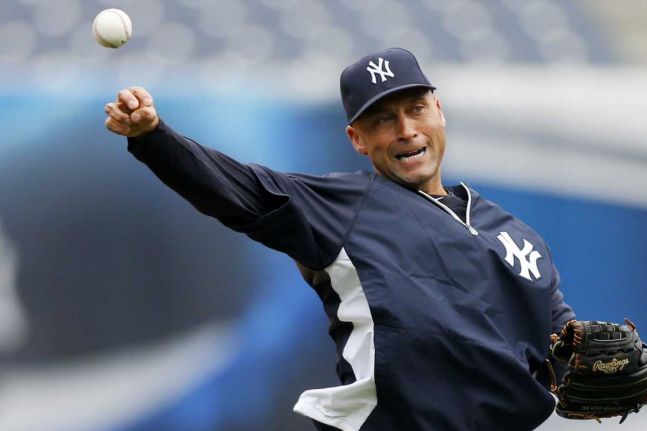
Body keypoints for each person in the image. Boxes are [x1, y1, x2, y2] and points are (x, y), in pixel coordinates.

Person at [104, 47, 575, 431]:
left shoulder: (517, 236)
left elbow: (561, 343)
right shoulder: (342, 207)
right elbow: (240, 191)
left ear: (439, 111)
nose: (406, 130)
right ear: (356, 138)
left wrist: (590, 366)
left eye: (415, 109)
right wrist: (155, 138)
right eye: (383, 120)